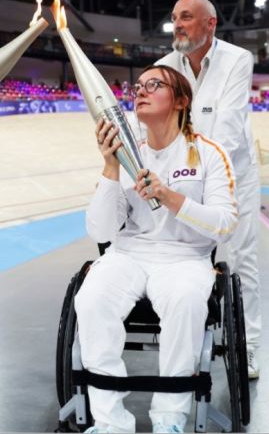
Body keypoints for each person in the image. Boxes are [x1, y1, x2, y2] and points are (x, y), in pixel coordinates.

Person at [76, 65, 238, 433]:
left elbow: (226, 224)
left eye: (154, 84)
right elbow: (100, 230)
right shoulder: (129, 153)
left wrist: (169, 196)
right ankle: (110, 423)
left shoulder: (209, 154)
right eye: (138, 85)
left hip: (186, 258)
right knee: (90, 299)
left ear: (181, 100)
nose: (140, 90)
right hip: (128, 254)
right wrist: (110, 166)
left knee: (186, 303)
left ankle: (170, 421)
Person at [156, 0, 263, 379]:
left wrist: (201, 185)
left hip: (235, 177)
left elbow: (228, 131)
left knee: (238, 259)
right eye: (173, 18)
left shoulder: (237, 60)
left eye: (186, 17)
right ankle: (187, 338)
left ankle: (248, 347)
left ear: (210, 24)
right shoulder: (164, 67)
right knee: (185, 257)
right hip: (184, 179)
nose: (177, 24)